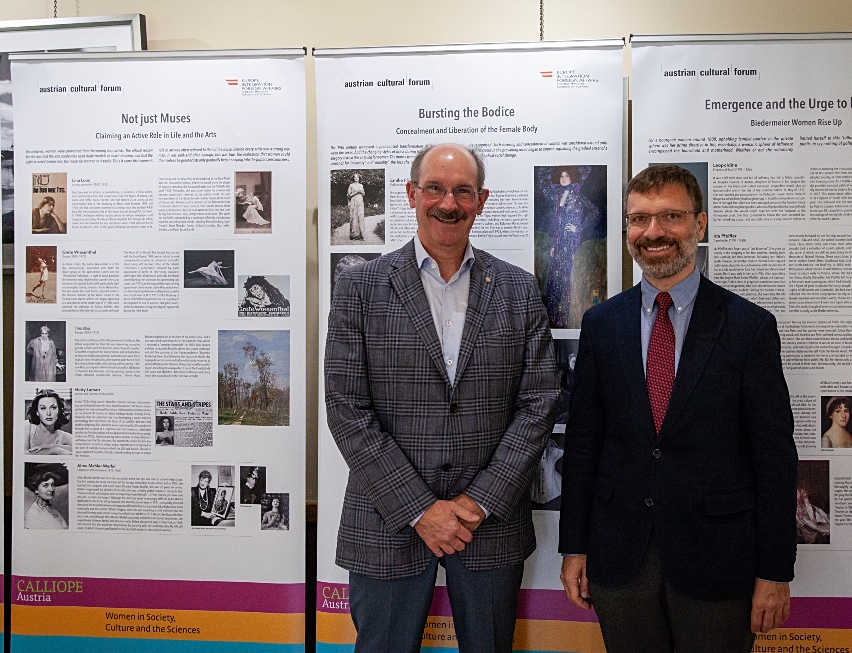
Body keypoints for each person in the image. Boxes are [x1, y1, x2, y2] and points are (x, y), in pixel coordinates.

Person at [325, 143, 559, 653]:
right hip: (387, 519)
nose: (447, 202)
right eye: (434, 188)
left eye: (462, 190)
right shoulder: (359, 287)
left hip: (489, 524)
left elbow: (539, 403)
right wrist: (420, 509)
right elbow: (346, 407)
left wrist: (478, 502)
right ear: (411, 194)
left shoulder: (519, 290)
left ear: (482, 199)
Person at [559, 164, 797, 653]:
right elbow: (583, 444)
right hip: (620, 558)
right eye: (639, 219)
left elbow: (773, 457)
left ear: (700, 224)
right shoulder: (603, 325)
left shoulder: (749, 327)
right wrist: (574, 546)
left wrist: (775, 570)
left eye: (671, 216)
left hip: (718, 561)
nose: (653, 232)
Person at [539, 166, 601, 328]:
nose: (564, 178)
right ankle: (554, 316)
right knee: (555, 276)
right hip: (559, 241)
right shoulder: (558, 195)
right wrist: (554, 244)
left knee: (567, 275)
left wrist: (578, 227)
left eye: (567, 175)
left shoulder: (577, 195)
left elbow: (594, 211)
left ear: (572, 178)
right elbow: (557, 221)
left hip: (571, 241)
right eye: (561, 176)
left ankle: (565, 315)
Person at [25, 389, 73, 455]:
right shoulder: (27, 427)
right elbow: (23, 454)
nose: (48, 413)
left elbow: (83, 449)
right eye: (43, 408)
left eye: (53, 407)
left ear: (59, 410)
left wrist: (55, 446)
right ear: (37, 412)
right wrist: (54, 450)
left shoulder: (64, 436)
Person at [347, 173, 366, 240]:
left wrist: (361, 192)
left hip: (360, 202)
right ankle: (353, 235)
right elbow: (349, 195)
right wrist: (357, 192)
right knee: (353, 217)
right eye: (355, 177)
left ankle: (361, 235)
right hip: (353, 202)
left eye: (357, 177)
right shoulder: (351, 185)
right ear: (353, 178)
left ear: (359, 178)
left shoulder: (361, 185)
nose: (356, 179)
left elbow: (363, 193)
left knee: (360, 217)